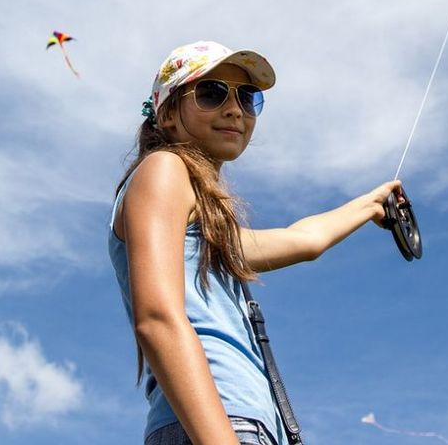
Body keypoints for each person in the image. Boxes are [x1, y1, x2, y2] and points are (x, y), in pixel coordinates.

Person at [109, 41, 403, 445]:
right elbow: (157, 319)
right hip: (217, 428)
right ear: (168, 114)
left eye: (248, 98)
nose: (234, 109)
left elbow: (304, 239)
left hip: (246, 426)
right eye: (211, 92)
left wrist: (370, 205)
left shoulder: (206, 228)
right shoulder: (164, 169)